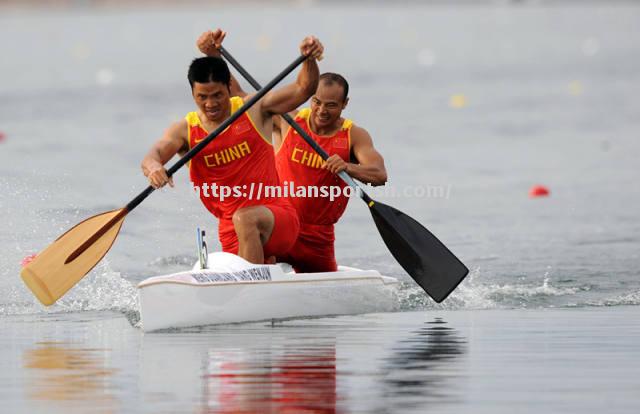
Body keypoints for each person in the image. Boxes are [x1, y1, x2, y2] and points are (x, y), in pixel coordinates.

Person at [196, 30, 386, 272]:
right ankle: (253, 284)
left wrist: (347, 166)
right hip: (278, 226)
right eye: (316, 102)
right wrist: (214, 56)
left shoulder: (354, 136)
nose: (321, 111)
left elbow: (379, 175)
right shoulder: (287, 120)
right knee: (250, 240)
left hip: (317, 239)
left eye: (331, 105)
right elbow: (241, 98)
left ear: (344, 105)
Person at [141, 29, 324, 265]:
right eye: (202, 97)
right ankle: (262, 272)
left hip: (278, 218)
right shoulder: (185, 130)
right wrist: (154, 168)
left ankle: (253, 286)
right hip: (231, 230)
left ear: (229, 86)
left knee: (245, 218)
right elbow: (153, 154)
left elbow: (303, 89)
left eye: (217, 95)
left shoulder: (253, 108)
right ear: (193, 93)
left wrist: (308, 59)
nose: (211, 104)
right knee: (239, 224)